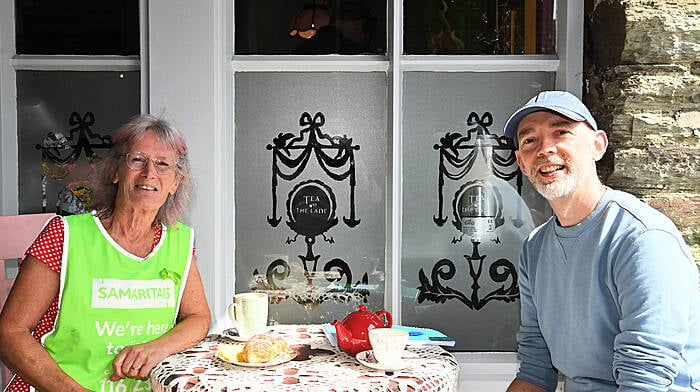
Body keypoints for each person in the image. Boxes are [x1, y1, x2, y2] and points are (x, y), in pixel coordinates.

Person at [502, 91, 700, 391]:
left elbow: (644, 380)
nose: (545, 149)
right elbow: (535, 368)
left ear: (598, 145)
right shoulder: (535, 248)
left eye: (561, 132)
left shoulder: (642, 239)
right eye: (530, 140)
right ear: (521, 161)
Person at [0, 115, 211, 391]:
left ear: (174, 183)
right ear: (114, 171)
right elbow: (10, 332)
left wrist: (156, 348)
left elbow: (198, 318)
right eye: (137, 160)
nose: (149, 173)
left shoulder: (180, 241)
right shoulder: (65, 235)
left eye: (163, 164)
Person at [294, 1, 377, 55]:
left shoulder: (304, 48)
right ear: (359, 24)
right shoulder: (349, 52)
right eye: (366, 32)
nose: (365, 40)